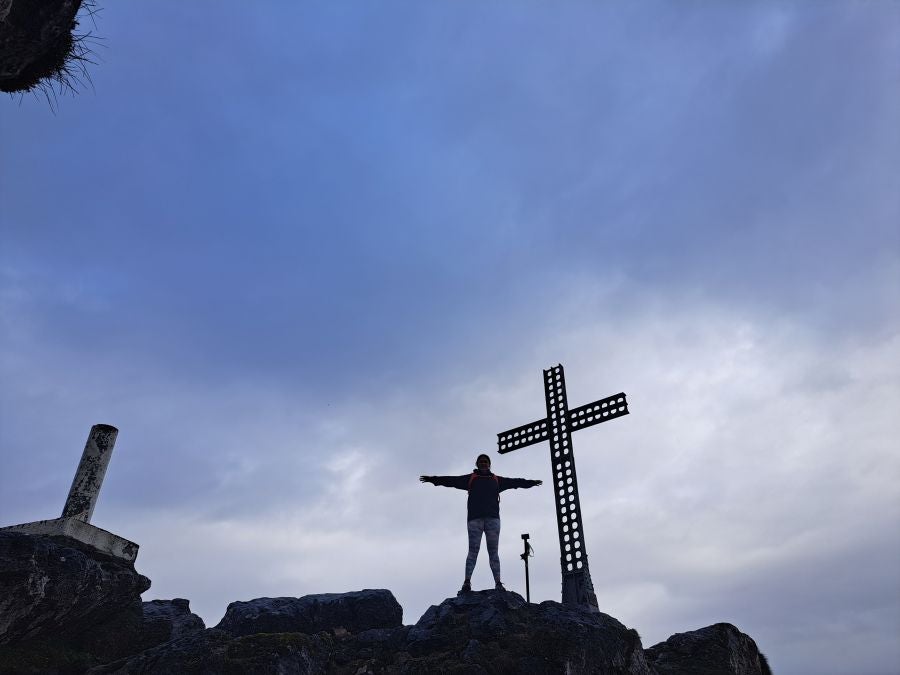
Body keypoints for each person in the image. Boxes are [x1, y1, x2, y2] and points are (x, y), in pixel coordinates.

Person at [420, 453, 542, 593]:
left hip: (490, 520)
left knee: (493, 553)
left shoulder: (497, 480)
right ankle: (467, 582)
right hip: (476, 520)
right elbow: (451, 480)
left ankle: (497, 583)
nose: (483, 463)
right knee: (473, 552)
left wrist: (530, 483)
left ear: (489, 464)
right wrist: (433, 480)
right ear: (477, 464)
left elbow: (515, 482)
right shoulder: (471, 479)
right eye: (481, 461)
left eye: (485, 461)